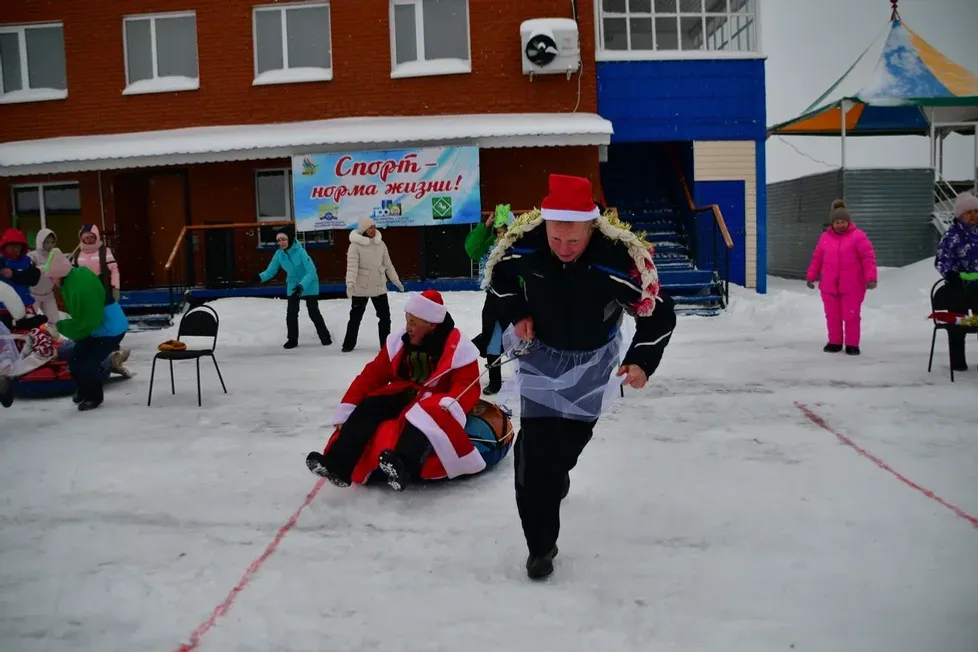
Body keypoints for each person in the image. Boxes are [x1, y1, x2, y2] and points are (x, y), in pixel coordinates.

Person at [484, 174, 677, 580]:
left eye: (574, 241)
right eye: (557, 239)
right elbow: (498, 280)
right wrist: (517, 314)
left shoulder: (616, 261)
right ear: (546, 224)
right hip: (540, 358)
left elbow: (659, 311)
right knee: (534, 456)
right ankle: (540, 545)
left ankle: (558, 474)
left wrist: (642, 359)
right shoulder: (526, 246)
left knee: (565, 450)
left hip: (592, 365)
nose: (564, 249)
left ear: (592, 226)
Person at [306, 289, 485, 491]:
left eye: (413, 323)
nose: (407, 327)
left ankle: (403, 467)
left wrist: (451, 405)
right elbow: (371, 375)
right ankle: (339, 464)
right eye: (407, 320)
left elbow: (467, 385)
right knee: (370, 405)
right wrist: (348, 406)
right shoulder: (400, 343)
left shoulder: (458, 347)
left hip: (436, 400)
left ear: (431, 324)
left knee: (421, 417)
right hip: (406, 392)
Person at [805, 199, 878, 355]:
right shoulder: (825, 238)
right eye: (837, 222)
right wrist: (811, 275)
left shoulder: (858, 237)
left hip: (852, 285)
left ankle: (852, 344)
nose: (840, 225)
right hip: (829, 285)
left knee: (851, 316)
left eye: (843, 222)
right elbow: (817, 258)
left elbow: (868, 258)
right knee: (832, 316)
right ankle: (835, 342)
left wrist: (871, 277)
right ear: (832, 223)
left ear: (848, 222)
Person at [55, 265, 129, 411]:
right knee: (74, 360)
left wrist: (61, 326)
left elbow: (88, 320)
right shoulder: (73, 281)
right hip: (95, 329)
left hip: (110, 331)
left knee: (88, 364)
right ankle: (84, 388)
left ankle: (95, 397)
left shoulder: (80, 286)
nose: (51, 280)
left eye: (52, 276)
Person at [256, 225, 332, 349]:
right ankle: (292, 340)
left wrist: (302, 286)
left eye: (284, 239)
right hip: (292, 284)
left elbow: (312, 271)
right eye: (279, 240)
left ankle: (325, 337)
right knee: (291, 313)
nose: (281, 243)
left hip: (309, 283)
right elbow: (271, 271)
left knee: (313, 312)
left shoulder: (301, 252)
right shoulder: (279, 254)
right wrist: (260, 277)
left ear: (290, 239)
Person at [465, 204, 513, 394]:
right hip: (494, 300)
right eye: (497, 228)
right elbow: (472, 249)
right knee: (492, 340)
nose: (500, 231)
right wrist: (484, 227)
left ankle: (532, 381)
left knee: (525, 341)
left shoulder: (520, 244)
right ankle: (494, 382)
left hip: (516, 301)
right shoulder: (491, 243)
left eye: (503, 227)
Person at [342, 217, 404, 352]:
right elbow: (352, 267)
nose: (373, 230)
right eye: (370, 227)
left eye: (374, 227)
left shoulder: (380, 244)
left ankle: (385, 345)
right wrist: (350, 283)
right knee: (355, 318)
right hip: (361, 288)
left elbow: (388, 265)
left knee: (385, 318)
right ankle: (348, 345)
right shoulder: (355, 246)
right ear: (364, 229)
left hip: (379, 287)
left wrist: (395, 280)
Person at [933, 191, 978, 371]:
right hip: (958, 287)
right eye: (969, 212)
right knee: (958, 324)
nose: (973, 216)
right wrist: (950, 274)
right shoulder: (952, 235)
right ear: (960, 215)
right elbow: (942, 259)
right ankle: (958, 361)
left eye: (976, 211)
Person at [28, 228, 64, 340]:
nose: (49, 245)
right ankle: (32, 343)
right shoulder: (32, 256)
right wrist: (44, 268)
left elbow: (63, 270)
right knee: (30, 321)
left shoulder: (55, 255)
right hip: (33, 295)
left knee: (55, 321)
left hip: (48, 294)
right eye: (46, 242)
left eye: (51, 242)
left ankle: (54, 343)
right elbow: (29, 271)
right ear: (40, 242)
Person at [72, 224, 121, 302]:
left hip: (103, 287)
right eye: (87, 237)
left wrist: (116, 287)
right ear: (82, 239)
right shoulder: (78, 253)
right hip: (84, 289)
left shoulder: (105, 251)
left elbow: (114, 270)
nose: (90, 240)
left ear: (97, 237)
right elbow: (73, 272)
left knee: (107, 311)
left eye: (92, 237)